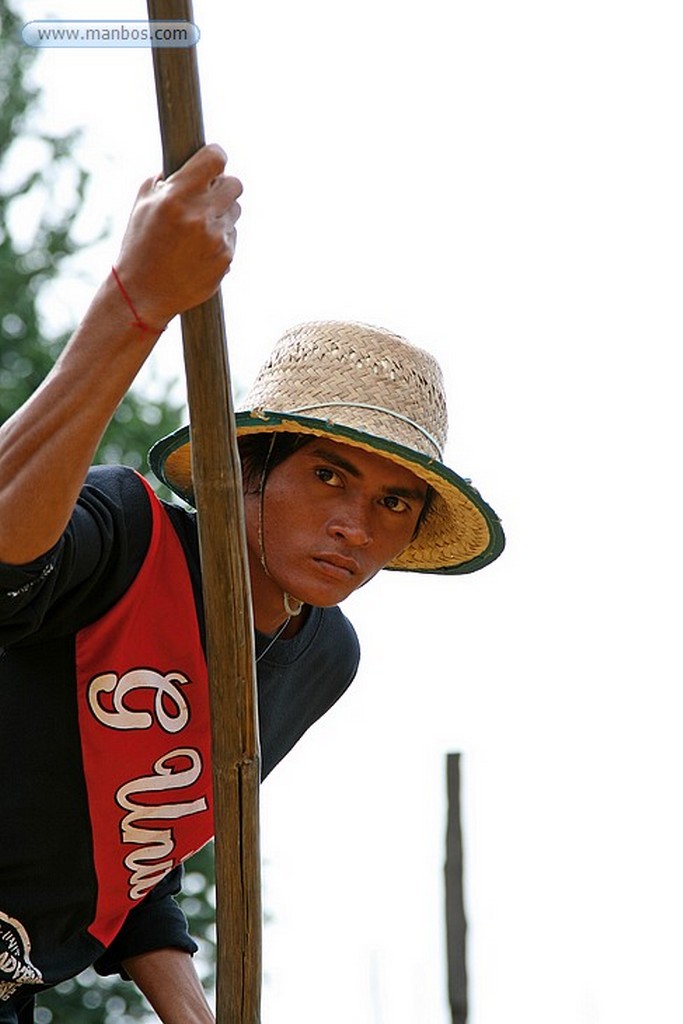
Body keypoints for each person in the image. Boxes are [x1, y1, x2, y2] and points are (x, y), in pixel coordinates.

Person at [0, 145, 504, 1024]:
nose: (357, 523)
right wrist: (135, 304)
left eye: (393, 502)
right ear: (246, 472)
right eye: (327, 476)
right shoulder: (126, 535)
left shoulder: (321, 656)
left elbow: (136, 861)